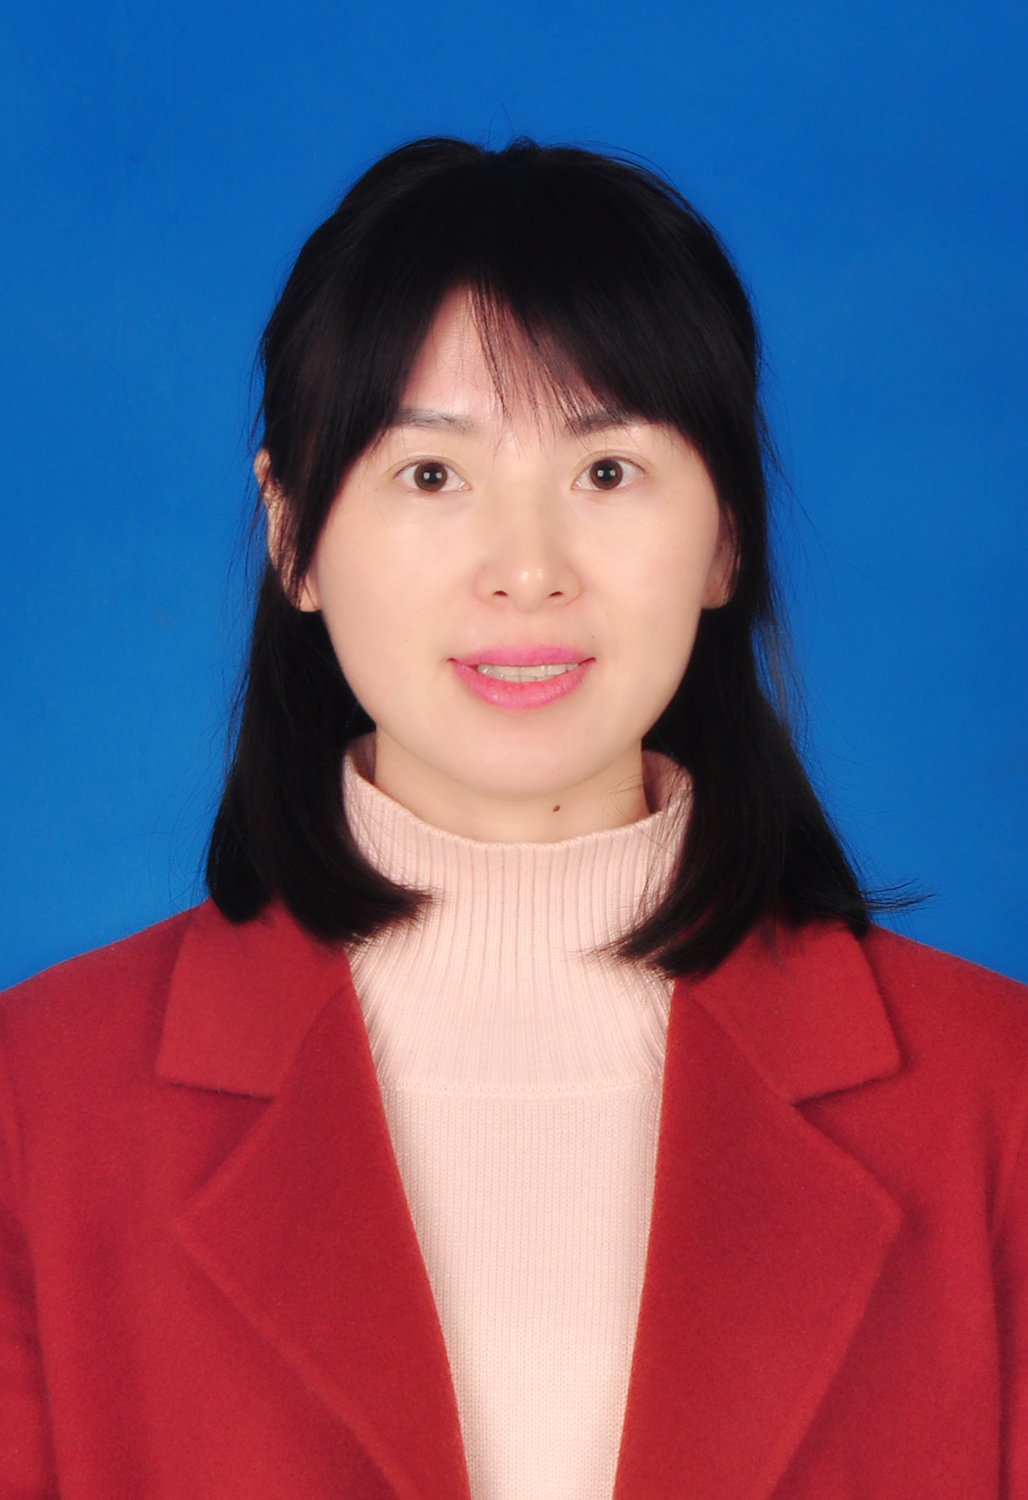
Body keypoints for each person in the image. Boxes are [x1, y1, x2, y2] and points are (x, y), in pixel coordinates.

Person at [1, 136, 1025, 1500]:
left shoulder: (992, 1099)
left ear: (726, 534)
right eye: (432, 475)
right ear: (292, 534)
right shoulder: (40, 1110)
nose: (528, 571)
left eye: (607, 472)